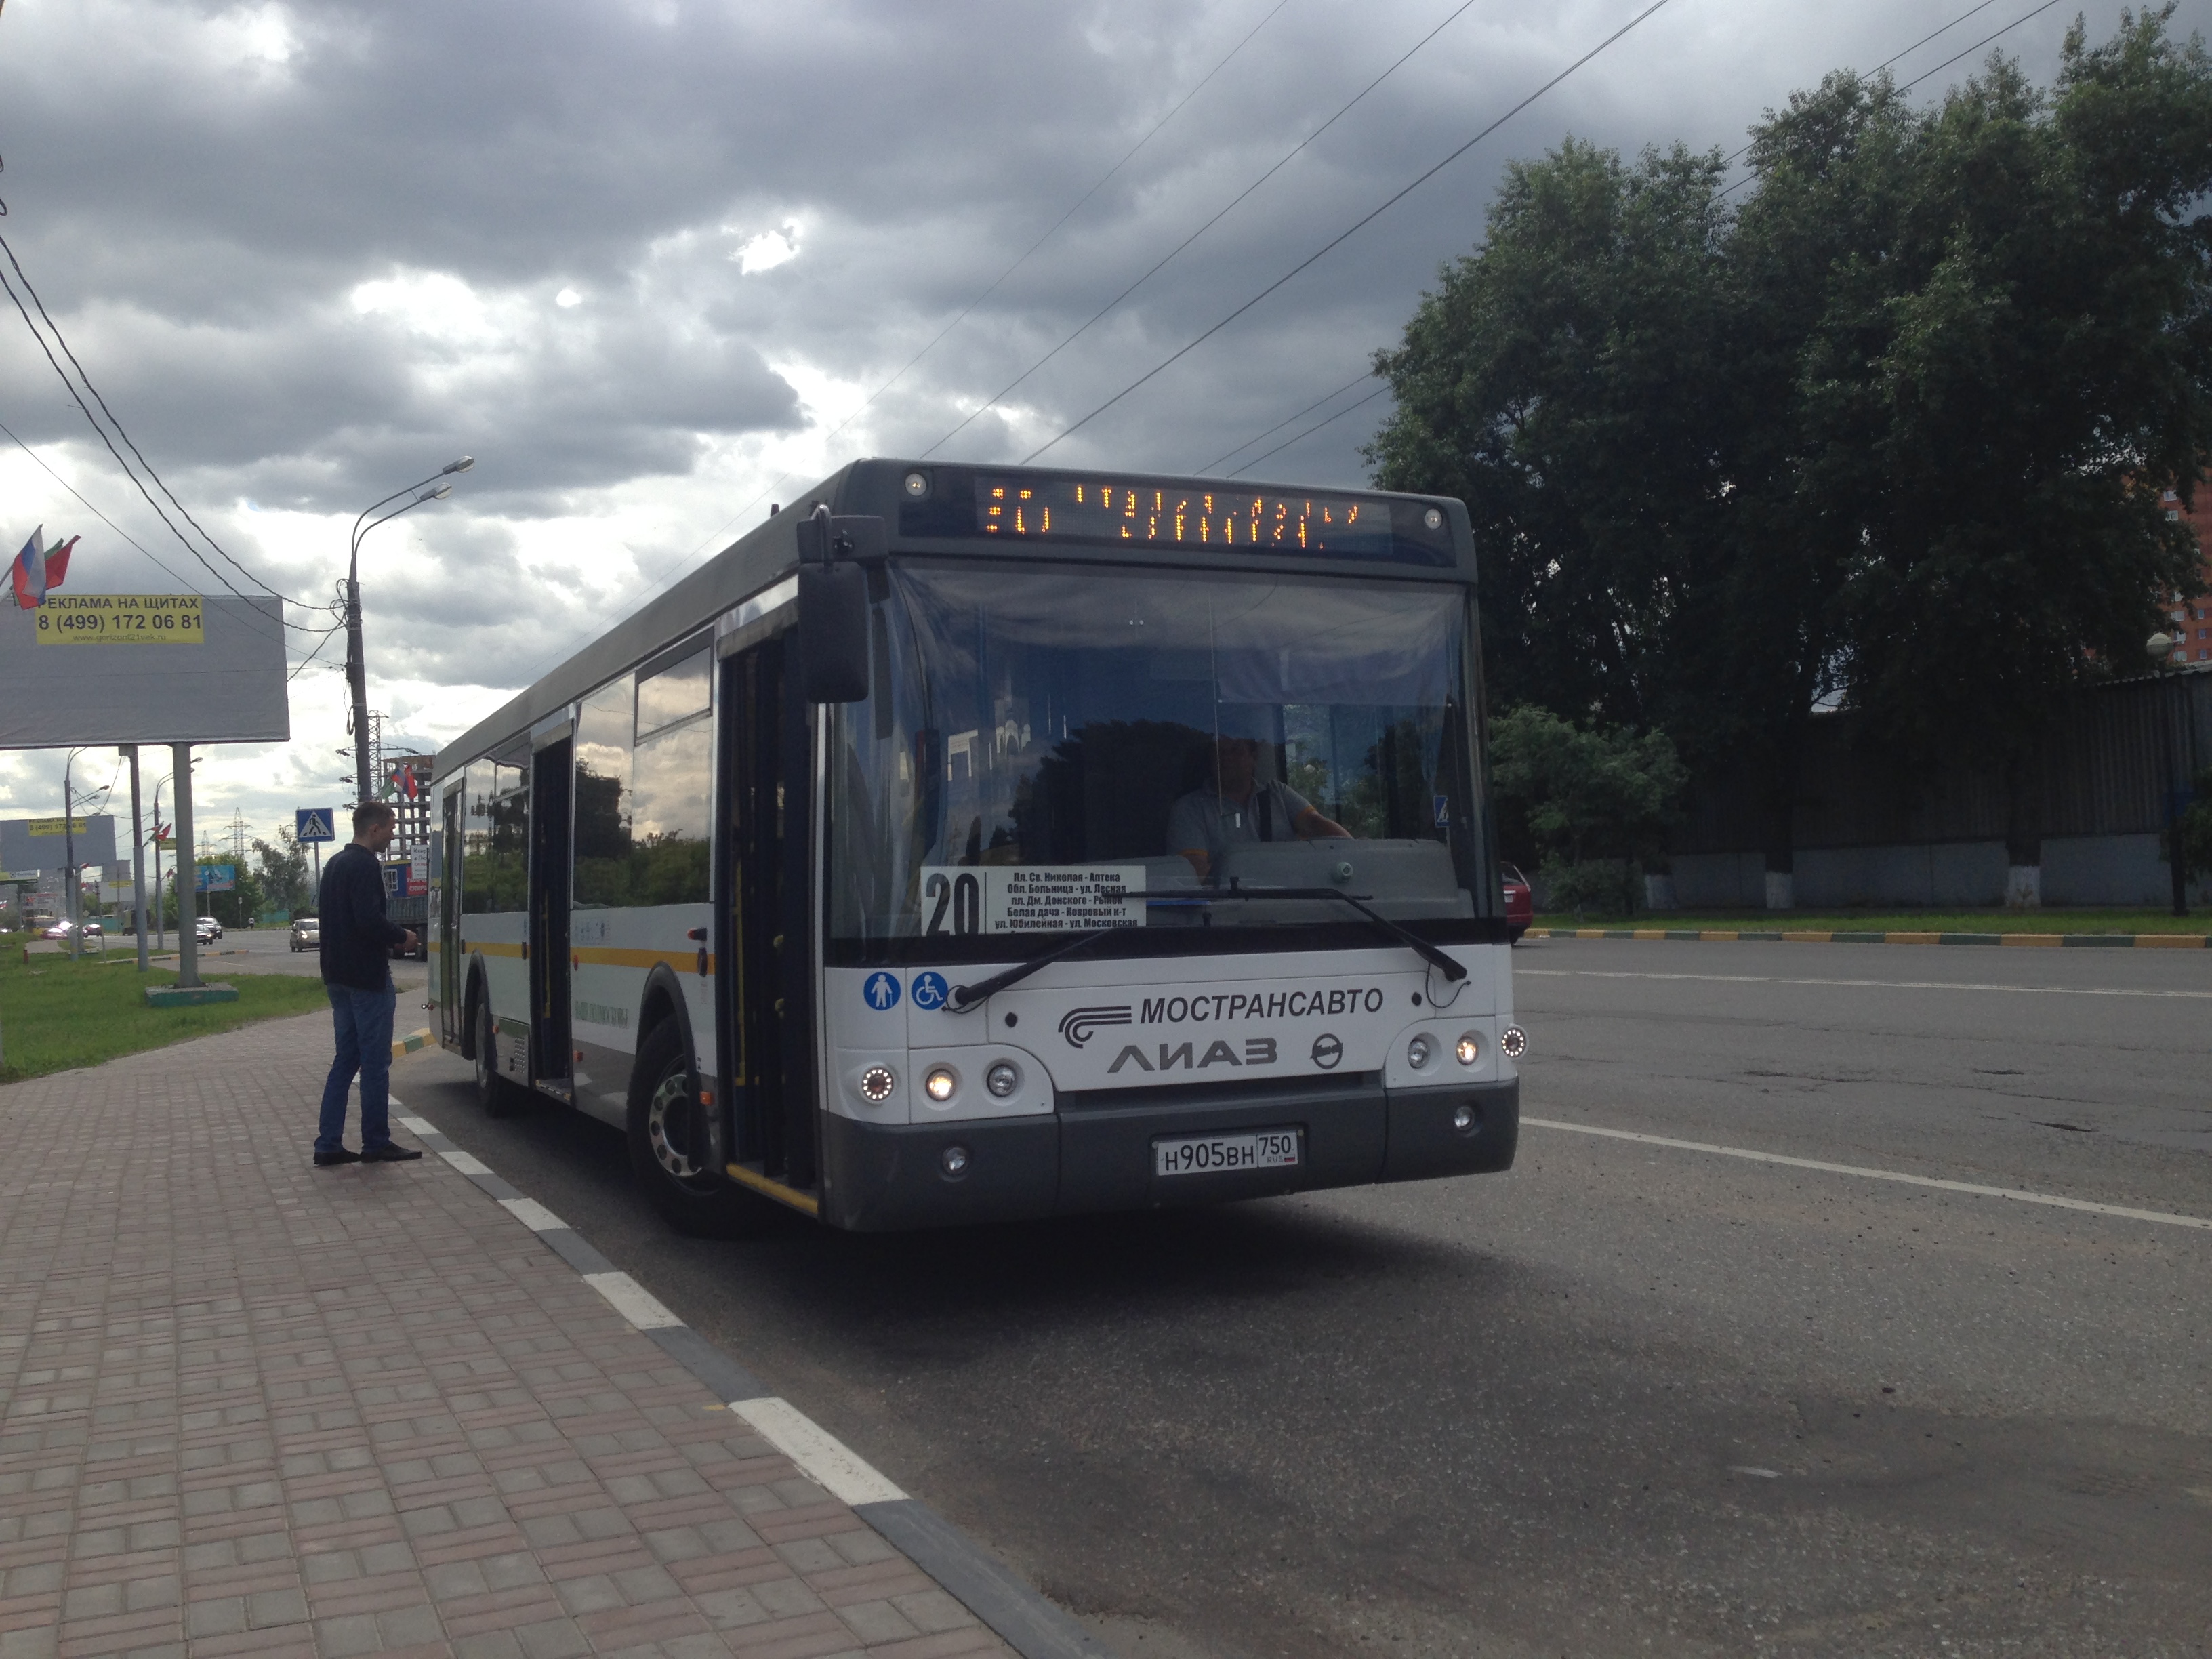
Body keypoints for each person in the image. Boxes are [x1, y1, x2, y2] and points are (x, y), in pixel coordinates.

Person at [313, 802, 422, 1166]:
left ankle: (328, 1144)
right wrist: (402, 936)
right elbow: (368, 920)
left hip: (337, 977)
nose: (393, 835)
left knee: (346, 1060)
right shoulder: (364, 866)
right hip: (366, 978)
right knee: (375, 1064)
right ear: (374, 829)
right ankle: (376, 1142)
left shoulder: (334, 865)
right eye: (390, 829)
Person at [1168, 732, 1350, 881]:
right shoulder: (1189, 809)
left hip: (1292, 903)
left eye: (1236, 750)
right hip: (1226, 913)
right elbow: (1195, 875)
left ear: (1254, 757)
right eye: (1219, 752)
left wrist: (1354, 850)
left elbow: (1316, 824)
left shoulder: (1277, 793)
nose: (1226, 758)